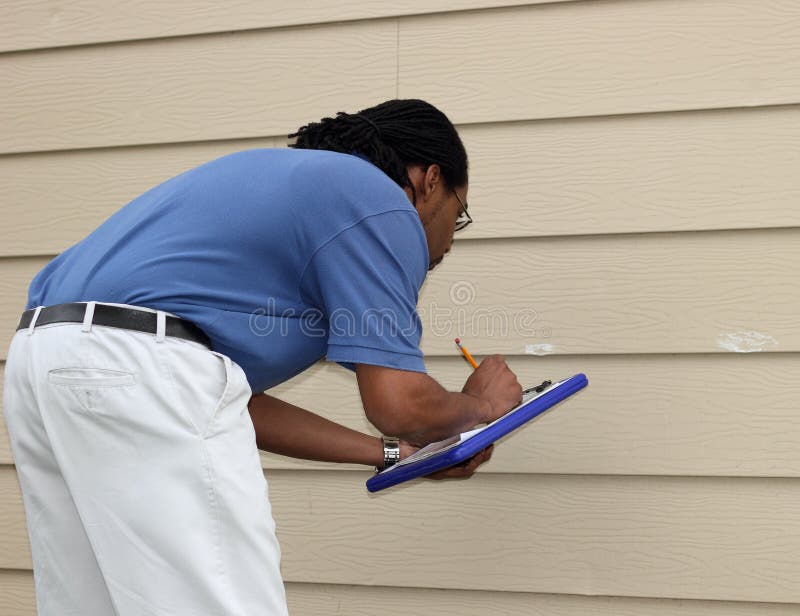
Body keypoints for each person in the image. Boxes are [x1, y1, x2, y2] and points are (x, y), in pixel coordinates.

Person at [3, 99, 522, 615]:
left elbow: (219, 399)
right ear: (430, 180)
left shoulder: (294, 193)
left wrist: (392, 455)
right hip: (132, 366)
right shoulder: (380, 201)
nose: (449, 241)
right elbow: (398, 404)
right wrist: (482, 406)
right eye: (459, 212)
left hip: (41, 360)